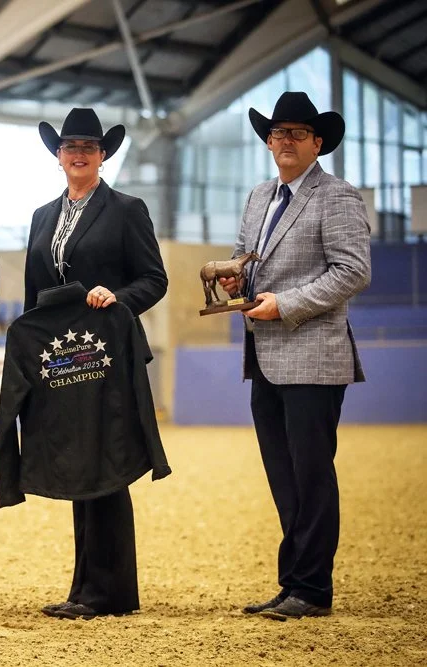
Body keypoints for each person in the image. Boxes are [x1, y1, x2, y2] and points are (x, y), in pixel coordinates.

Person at [219, 92, 371, 621]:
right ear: (268, 141)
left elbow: (352, 271)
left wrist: (285, 304)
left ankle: (312, 589)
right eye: (278, 132)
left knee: (311, 474)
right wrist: (236, 273)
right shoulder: (261, 195)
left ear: (317, 142)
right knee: (284, 476)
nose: (285, 140)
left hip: (312, 353)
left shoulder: (338, 196)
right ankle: (294, 584)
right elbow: (248, 255)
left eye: (297, 133)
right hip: (264, 355)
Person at [18, 107, 168, 619]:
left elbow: (154, 279)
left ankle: (112, 592)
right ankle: (85, 588)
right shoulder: (42, 216)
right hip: (62, 361)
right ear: (58, 156)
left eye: (88, 146)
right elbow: (34, 295)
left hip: (108, 353)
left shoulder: (127, 209)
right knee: (81, 463)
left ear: (103, 155)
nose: (78, 153)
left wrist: (118, 296)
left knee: (106, 463)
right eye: (69, 147)